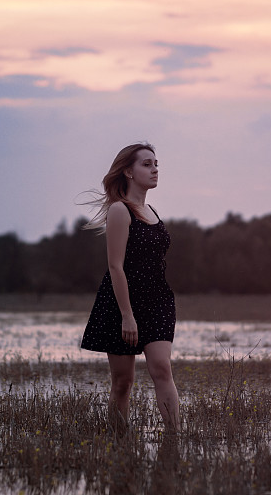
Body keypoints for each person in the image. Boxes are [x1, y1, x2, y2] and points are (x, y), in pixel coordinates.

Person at [80, 142, 179, 432]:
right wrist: (127, 315)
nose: (155, 169)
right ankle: (118, 441)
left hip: (158, 300)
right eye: (146, 164)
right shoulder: (120, 211)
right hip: (121, 304)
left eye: (156, 163)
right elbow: (115, 266)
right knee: (123, 382)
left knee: (162, 368)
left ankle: (174, 437)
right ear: (128, 171)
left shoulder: (152, 211)